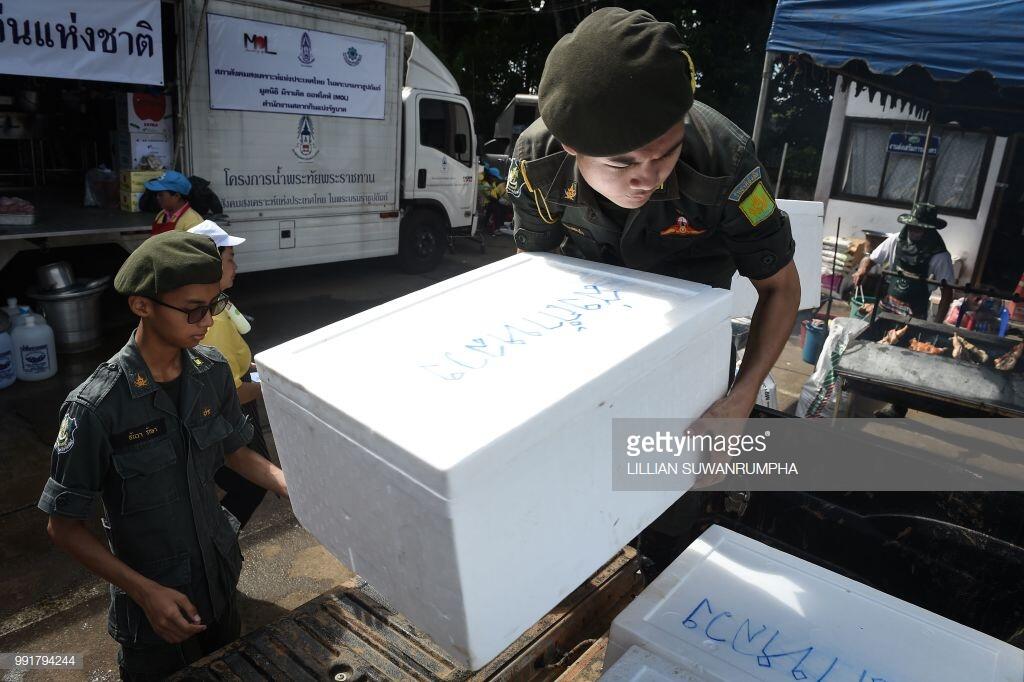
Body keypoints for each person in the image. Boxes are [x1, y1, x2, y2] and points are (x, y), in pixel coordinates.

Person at [508, 8, 800, 420]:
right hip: (586, 342)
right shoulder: (539, 163)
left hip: (693, 347)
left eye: (666, 153)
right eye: (622, 163)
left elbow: (780, 288)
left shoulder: (725, 162)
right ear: (571, 146)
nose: (648, 178)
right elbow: (532, 269)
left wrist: (741, 398)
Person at [37, 231, 288, 681]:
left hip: (220, 582)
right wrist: (145, 592)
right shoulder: (97, 407)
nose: (207, 320)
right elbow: (63, 527)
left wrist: (287, 483)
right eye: (193, 308)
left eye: (215, 304)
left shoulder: (210, 372)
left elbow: (235, 450)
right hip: (155, 613)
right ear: (142, 305)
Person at [188, 220, 272, 529]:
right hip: (226, 417)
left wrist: (254, 370)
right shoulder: (214, 318)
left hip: (215, 414)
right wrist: (270, 383)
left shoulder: (213, 306)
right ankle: (217, 541)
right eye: (230, 258)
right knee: (251, 483)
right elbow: (231, 394)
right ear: (210, 265)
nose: (235, 265)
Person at [851, 202, 955, 418]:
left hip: (914, 312)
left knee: (904, 360)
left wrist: (937, 323)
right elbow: (869, 258)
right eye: (914, 226)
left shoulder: (940, 255)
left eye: (921, 228)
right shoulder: (895, 241)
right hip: (888, 304)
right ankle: (862, 387)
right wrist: (862, 270)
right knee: (872, 345)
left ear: (930, 229)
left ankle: (897, 407)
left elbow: (947, 292)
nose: (916, 231)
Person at [146, 170, 204, 235]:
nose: (157, 197)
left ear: (176, 196)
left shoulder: (193, 221)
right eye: (157, 194)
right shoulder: (161, 215)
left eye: (161, 194)